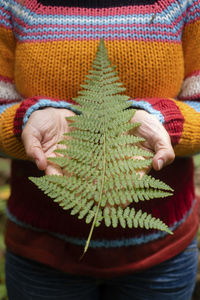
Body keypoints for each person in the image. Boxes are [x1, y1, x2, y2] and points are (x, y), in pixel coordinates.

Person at [0, 0, 199, 299]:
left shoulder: (187, 4)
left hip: (161, 252)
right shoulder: (11, 5)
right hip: (42, 253)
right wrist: (25, 121)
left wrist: (162, 122)